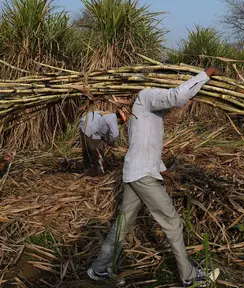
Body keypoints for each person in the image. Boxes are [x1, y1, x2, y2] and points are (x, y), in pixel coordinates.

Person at [87, 67, 222, 287]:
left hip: (136, 173)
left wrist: (165, 171)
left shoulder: (141, 112)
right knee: (173, 223)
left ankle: (99, 269)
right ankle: (190, 278)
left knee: (122, 224)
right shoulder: (146, 96)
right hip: (143, 176)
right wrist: (205, 75)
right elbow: (177, 96)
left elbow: (145, 146)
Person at [79, 110, 127, 177]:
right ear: (119, 119)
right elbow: (115, 135)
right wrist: (110, 143)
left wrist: (104, 141)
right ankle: (100, 172)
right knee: (98, 152)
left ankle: (87, 170)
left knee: (86, 151)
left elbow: (102, 131)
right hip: (91, 130)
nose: (119, 124)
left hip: (83, 127)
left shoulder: (107, 115)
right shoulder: (113, 119)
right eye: (120, 123)